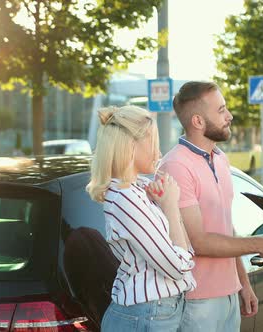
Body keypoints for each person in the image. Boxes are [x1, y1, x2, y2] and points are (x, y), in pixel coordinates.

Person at [158, 81, 263, 332]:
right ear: (198, 121)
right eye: (221, 110)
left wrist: (242, 283)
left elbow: (225, 226)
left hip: (229, 295)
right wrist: (262, 244)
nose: (229, 116)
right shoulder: (176, 165)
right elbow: (198, 241)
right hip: (197, 301)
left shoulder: (220, 159)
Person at [86, 105, 196, 332]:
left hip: (156, 313)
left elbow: (186, 251)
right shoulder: (125, 198)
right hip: (146, 315)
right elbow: (177, 266)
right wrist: (170, 207)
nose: (159, 153)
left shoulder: (140, 189)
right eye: (153, 144)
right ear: (131, 146)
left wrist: (168, 206)